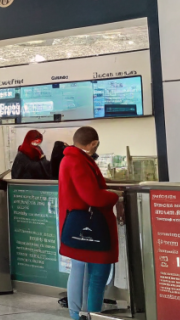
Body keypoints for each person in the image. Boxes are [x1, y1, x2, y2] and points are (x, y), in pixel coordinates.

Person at [58, 126, 119, 320]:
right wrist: (114, 196)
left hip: (78, 225)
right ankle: (87, 314)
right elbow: (92, 196)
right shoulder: (78, 162)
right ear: (93, 143)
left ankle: (85, 313)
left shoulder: (71, 159)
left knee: (83, 270)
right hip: (90, 227)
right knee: (93, 272)